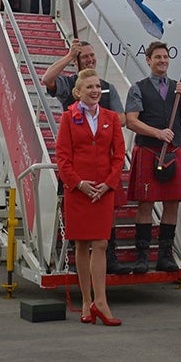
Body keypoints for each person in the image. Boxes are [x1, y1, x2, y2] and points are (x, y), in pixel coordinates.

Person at [42, 39, 129, 273]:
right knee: (77, 226)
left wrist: (100, 118)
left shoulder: (106, 86)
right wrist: (70, 56)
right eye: (84, 56)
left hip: (102, 162)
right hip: (76, 167)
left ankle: (110, 259)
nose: (89, 59)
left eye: (92, 55)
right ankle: (73, 263)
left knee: (106, 217)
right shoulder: (67, 83)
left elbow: (121, 118)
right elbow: (47, 80)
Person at [125, 41, 181, 273]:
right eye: (157, 57)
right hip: (149, 150)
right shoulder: (137, 88)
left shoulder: (178, 88)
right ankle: (142, 257)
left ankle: (165, 255)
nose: (162, 61)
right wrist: (157, 132)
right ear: (148, 60)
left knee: (172, 205)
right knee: (145, 205)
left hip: (173, 152)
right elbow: (131, 120)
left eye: (165, 57)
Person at [56, 69, 126, 326]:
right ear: (78, 92)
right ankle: (86, 300)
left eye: (97, 86)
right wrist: (79, 184)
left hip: (103, 190)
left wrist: (108, 184)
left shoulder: (111, 118)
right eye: (90, 87)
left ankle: (102, 301)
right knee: (81, 246)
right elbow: (62, 158)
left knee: (101, 244)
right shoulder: (67, 118)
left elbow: (119, 155)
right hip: (79, 190)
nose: (95, 90)